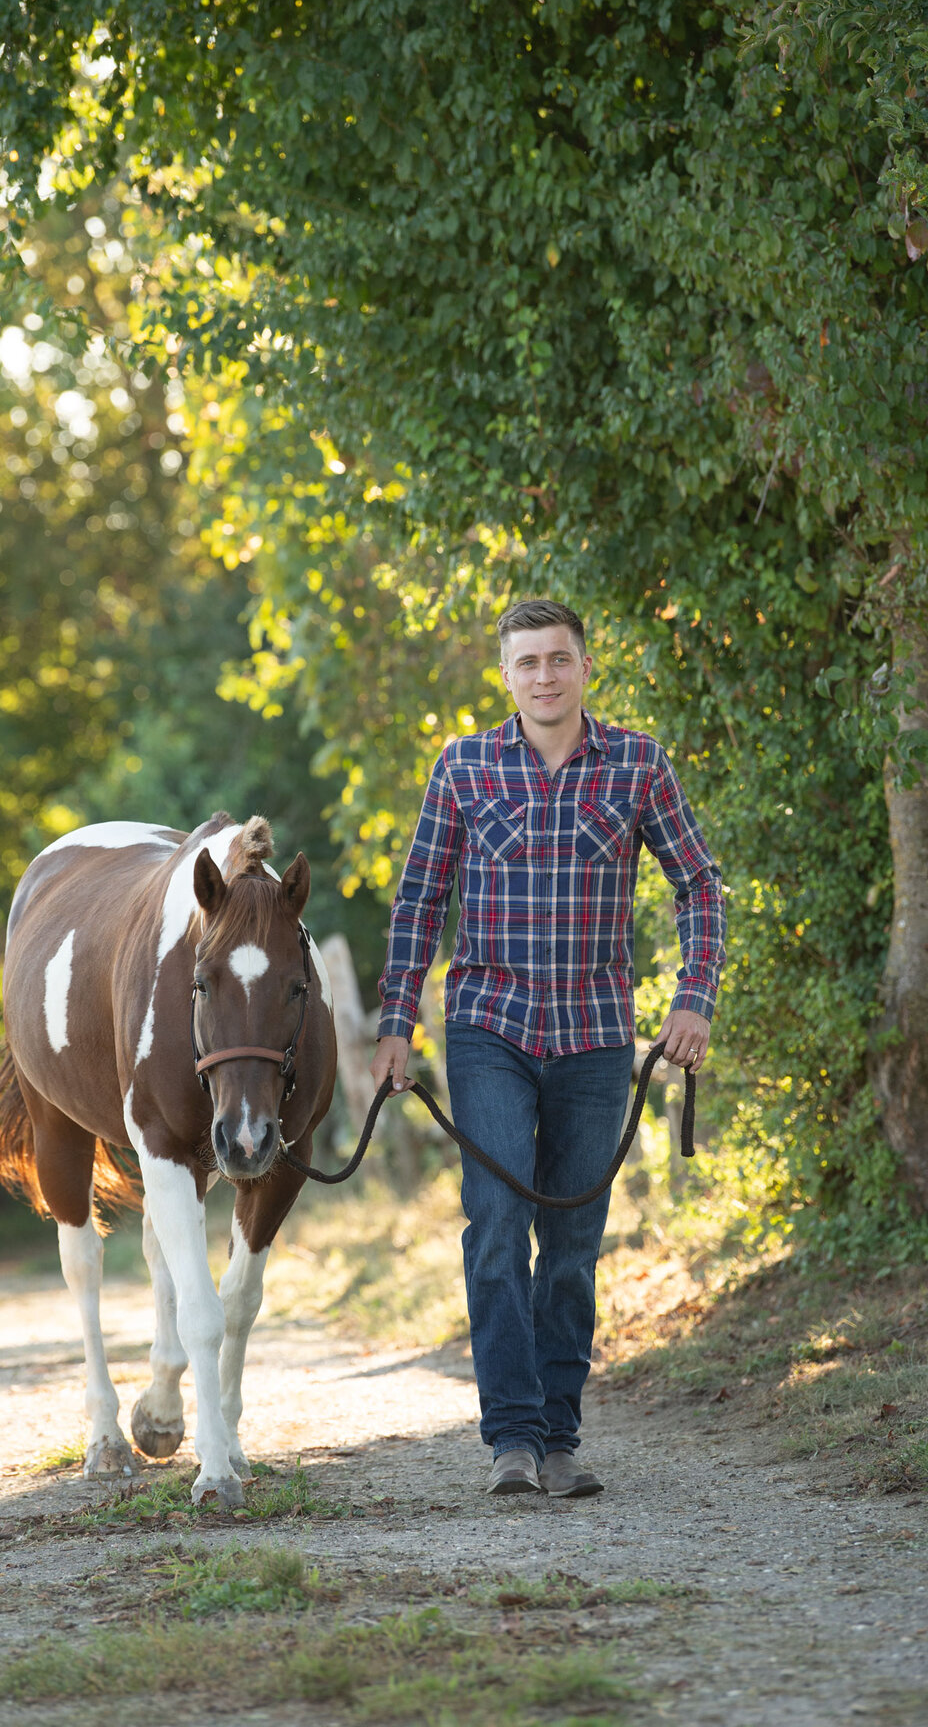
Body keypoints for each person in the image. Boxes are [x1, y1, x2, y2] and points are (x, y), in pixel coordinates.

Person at [371, 597, 726, 1498]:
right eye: (526, 663)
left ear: (584, 668)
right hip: (489, 1027)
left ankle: (560, 1436)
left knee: (572, 1242)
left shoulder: (638, 764)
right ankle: (512, 1441)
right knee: (496, 1228)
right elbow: (417, 901)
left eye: (558, 660)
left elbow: (700, 888)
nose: (544, 676)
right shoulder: (464, 766)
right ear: (505, 675)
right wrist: (395, 1025)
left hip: (598, 1037)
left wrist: (694, 1000)